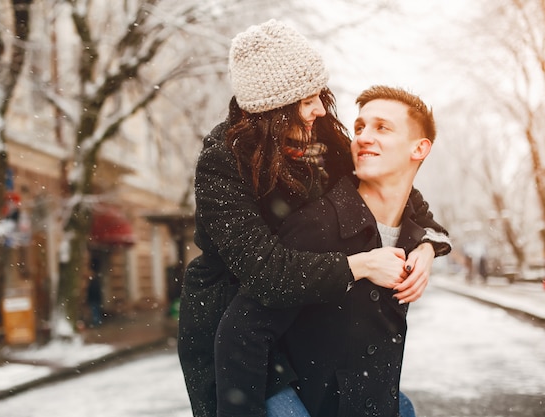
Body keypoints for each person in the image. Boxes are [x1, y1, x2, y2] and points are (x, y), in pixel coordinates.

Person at [177, 20, 451, 417]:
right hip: (236, 329)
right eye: (307, 100)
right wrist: (359, 265)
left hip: (298, 319)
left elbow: (389, 188)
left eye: (320, 95)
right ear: (275, 110)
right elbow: (264, 271)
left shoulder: (318, 137)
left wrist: (428, 243)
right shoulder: (223, 162)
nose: (320, 109)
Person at [215, 85, 444, 417]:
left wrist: (428, 248)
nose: (364, 136)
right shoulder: (319, 224)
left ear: (419, 148)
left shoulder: (412, 235)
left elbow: (432, 226)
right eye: (361, 127)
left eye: (382, 127)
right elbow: (241, 332)